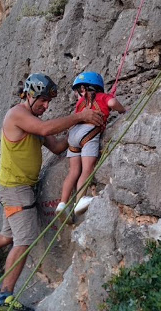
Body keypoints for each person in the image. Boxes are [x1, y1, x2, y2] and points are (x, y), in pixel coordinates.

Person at [0, 73, 104, 311]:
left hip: (12, 187)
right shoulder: (17, 114)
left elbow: (57, 147)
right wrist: (80, 115)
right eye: (43, 101)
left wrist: (80, 132)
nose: (46, 106)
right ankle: (4, 298)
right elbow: (46, 128)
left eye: (48, 102)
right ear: (30, 95)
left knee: (7, 236)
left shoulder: (32, 122)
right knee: (24, 240)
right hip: (17, 190)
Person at [56, 71, 125, 220]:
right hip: (89, 133)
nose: (77, 95)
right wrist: (123, 111)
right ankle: (80, 199)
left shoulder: (80, 104)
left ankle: (62, 203)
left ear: (83, 89)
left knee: (73, 171)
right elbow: (112, 103)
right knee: (87, 168)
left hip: (73, 135)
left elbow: (75, 118)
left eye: (77, 91)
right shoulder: (102, 97)